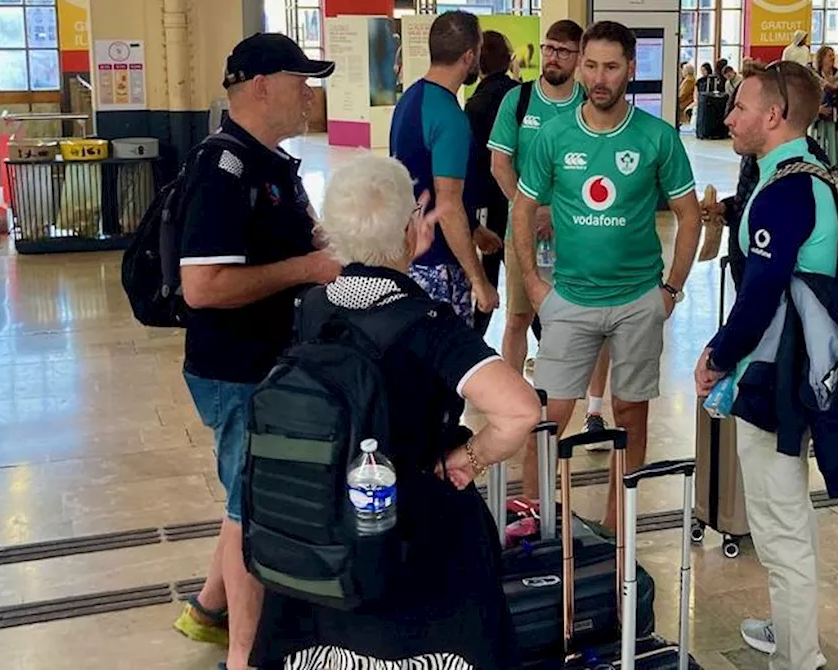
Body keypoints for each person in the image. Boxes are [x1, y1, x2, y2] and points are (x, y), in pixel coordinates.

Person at [251, 154, 540, 670]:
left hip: (323, 527)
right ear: (412, 230)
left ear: (331, 232)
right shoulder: (426, 324)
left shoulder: (311, 309)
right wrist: (469, 460)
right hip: (417, 539)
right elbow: (519, 410)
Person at [172, 33, 340, 670]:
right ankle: (243, 657)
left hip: (266, 363)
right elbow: (203, 286)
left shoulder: (272, 163)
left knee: (247, 495)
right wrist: (307, 268)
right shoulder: (224, 169)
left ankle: (208, 611)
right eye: (301, 80)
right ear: (262, 85)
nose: (310, 94)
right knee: (253, 509)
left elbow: (312, 245)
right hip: (234, 368)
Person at [696, 61, 838, 670]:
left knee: (779, 520)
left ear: (773, 115)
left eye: (739, 107)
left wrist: (715, 357)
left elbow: (761, 294)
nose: (729, 115)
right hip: (793, 363)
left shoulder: (789, 188)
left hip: (777, 372)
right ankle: (789, 628)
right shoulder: (803, 172)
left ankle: (799, 657)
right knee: (787, 511)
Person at [512, 20, 702, 528]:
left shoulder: (657, 137)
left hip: (639, 299)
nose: (599, 77)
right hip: (570, 299)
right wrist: (533, 281)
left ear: (630, 70)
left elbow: (690, 216)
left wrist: (671, 290)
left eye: (611, 67)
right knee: (549, 418)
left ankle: (621, 532)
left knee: (631, 415)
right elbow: (522, 207)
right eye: (590, 64)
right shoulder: (553, 135)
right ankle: (536, 519)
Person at [488, 19, 614, 500]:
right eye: (549, 49)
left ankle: (595, 407)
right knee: (518, 316)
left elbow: (603, 169)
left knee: (591, 321)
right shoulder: (518, 101)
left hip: (580, 236)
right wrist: (528, 207)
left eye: (564, 50)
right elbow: (500, 162)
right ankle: (512, 404)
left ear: (579, 56)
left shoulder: (590, 105)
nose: (555, 57)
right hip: (523, 235)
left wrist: (561, 213)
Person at [391, 10, 500, 327]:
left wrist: (475, 231)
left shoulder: (410, 99)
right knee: (446, 370)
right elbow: (448, 206)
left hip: (410, 258)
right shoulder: (450, 117)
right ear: (469, 56)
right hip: (440, 267)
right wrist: (479, 281)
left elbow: (420, 179)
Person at [465, 30, 519, 336]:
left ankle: (474, 339)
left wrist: (472, 219)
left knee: (485, 276)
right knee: (525, 275)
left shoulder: (476, 104)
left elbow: (471, 165)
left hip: (488, 202)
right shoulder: (521, 96)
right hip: (519, 197)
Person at [810, 46, 838, 167]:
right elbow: (806, 95)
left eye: (833, 55)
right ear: (822, 58)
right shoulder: (813, 76)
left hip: (835, 116)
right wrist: (817, 109)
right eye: (829, 55)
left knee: (835, 144)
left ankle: (836, 168)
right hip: (818, 118)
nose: (832, 58)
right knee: (819, 142)